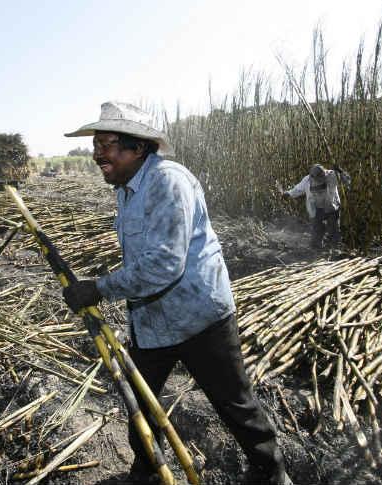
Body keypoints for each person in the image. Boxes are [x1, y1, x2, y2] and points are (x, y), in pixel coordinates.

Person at [63, 101, 293, 485]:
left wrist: (99, 289)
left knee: (235, 405)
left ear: (137, 147)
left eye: (106, 144)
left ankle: (272, 475)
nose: (97, 153)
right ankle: (149, 469)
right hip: (154, 322)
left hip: (200, 316)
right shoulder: (125, 189)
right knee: (138, 400)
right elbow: (144, 258)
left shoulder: (168, 181)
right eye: (95, 145)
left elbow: (165, 264)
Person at [283, 163, 350, 250]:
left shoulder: (332, 176)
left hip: (331, 207)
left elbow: (347, 181)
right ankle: (316, 250)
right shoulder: (307, 180)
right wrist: (288, 194)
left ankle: (334, 250)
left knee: (333, 231)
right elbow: (297, 189)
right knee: (316, 232)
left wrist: (340, 171)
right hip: (316, 208)